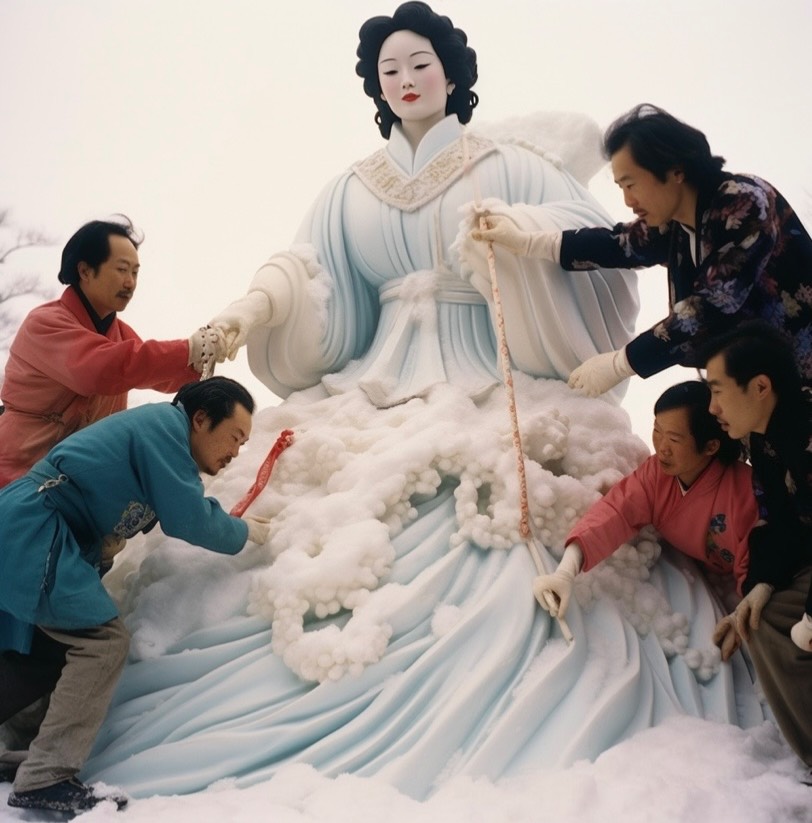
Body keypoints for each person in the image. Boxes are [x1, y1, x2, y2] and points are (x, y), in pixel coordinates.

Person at [79, 4, 764, 800]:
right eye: (389, 71)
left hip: (489, 374)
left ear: (453, 72)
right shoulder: (349, 189)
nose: (404, 81)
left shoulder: (506, 160)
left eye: (419, 64)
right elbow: (309, 271)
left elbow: (596, 244)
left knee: (505, 538)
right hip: (376, 380)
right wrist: (257, 306)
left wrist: (512, 240)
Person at [0, 377, 270, 813]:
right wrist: (246, 532)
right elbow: (190, 518)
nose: (236, 451)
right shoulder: (166, 431)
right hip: (34, 528)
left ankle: (28, 759)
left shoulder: (159, 437)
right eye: (235, 437)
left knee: (45, 650)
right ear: (200, 419)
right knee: (103, 642)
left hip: (30, 528)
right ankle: (46, 777)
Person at [465, 104, 812, 397]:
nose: (628, 201)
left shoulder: (741, 201)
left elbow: (712, 305)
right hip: (757, 395)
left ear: (675, 170)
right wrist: (527, 241)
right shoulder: (676, 226)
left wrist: (622, 363)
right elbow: (621, 244)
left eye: (631, 184)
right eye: (620, 187)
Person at [0, 215, 228, 487]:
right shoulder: (45, 324)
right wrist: (191, 349)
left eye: (135, 272)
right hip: (15, 475)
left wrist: (211, 353)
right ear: (85, 271)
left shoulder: (120, 335)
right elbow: (103, 369)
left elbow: (158, 373)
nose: (130, 282)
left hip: (70, 486)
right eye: (121, 270)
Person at [534, 380, 756, 633]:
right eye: (657, 431)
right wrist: (565, 572)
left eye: (674, 439)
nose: (661, 448)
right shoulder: (656, 475)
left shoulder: (745, 493)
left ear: (711, 446)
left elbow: (759, 568)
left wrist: (743, 614)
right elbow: (615, 513)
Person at [701, 321, 812, 771]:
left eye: (718, 391)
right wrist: (761, 586)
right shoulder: (764, 442)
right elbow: (781, 523)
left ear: (760, 386)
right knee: (762, 622)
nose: (712, 408)